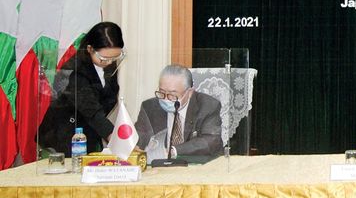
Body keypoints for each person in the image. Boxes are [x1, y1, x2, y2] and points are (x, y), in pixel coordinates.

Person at [38, 22, 126, 155]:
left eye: (114, 58)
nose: (109, 62)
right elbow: (91, 110)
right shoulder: (75, 70)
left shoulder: (109, 65)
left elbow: (108, 98)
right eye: (104, 58)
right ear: (90, 49)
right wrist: (119, 141)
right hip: (64, 136)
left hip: (89, 131)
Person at [135, 64, 223, 158]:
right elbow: (138, 138)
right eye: (162, 92)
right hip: (159, 165)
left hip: (197, 164)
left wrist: (174, 151)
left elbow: (210, 140)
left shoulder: (208, 106)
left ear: (189, 93)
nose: (166, 99)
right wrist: (135, 145)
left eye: (172, 95)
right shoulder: (149, 107)